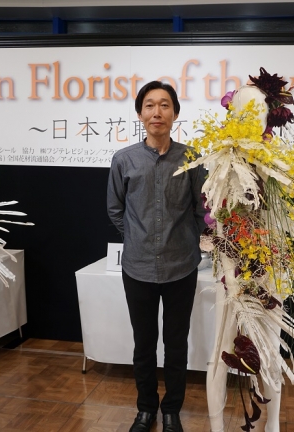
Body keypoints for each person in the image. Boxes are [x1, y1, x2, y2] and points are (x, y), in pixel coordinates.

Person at [107, 81, 206, 432]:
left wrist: (188, 242)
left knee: (176, 344)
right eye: (149, 106)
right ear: (140, 114)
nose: (157, 112)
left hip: (182, 266)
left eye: (164, 105)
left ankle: (171, 410)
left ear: (175, 113)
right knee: (144, 344)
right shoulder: (124, 160)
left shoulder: (192, 159)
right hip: (137, 267)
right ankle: (146, 408)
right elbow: (115, 209)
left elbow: (201, 210)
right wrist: (137, 238)